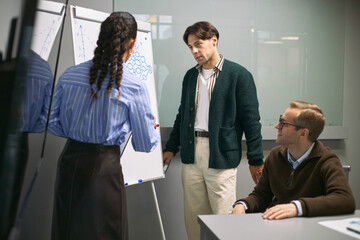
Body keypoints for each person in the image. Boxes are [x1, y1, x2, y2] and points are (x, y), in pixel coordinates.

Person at [48, 12, 159, 240]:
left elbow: (51, 122)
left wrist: (76, 131)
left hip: (69, 162)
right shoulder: (133, 86)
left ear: (101, 39)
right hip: (105, 169)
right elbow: (145, 144)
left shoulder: (69, 76)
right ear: (132, 42)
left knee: (66, 232)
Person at [163, 21, 264, 240]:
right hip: (191, 154)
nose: (194, 51)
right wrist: (171, 147)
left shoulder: (238, 75)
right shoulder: (191, 76)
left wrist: (256, 158)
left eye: (198, 44)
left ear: (214, 40)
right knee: (194, 217)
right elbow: (183, 115)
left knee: (224, 217)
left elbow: (251, 120)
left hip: (221, 153)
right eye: (190, 47)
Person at [232, 100, 355, 219]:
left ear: (303, 133)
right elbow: (261, 195)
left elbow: (344, 199)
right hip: (277, 227)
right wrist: (242, 205)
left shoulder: (327, 160)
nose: (277, 126)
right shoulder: (275, 156)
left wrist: (297, 207)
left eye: (284, 123)